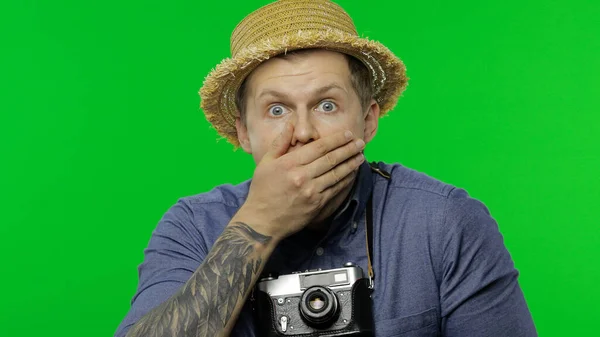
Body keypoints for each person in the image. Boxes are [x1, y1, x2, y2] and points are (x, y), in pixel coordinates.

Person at [115, 0, 537, 336]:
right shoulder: (192, 226)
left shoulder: (443, 222)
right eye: (276, 109)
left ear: (368, 121)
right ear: (243, 133)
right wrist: (259, 223)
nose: (302, 133)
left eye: (327, 105)